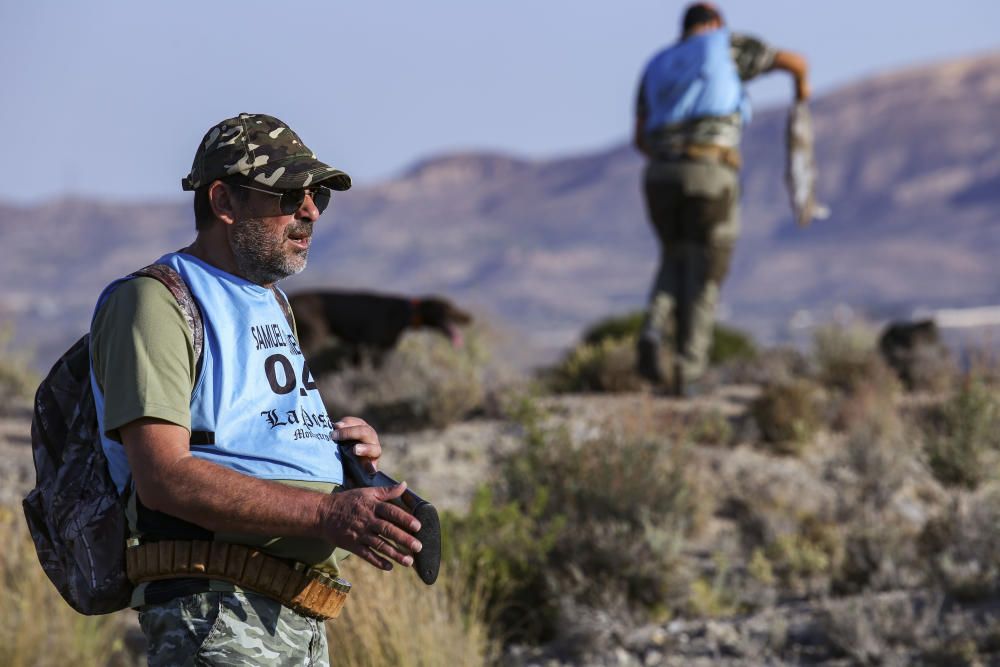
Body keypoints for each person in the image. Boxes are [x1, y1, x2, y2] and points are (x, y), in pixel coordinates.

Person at [89, 113, 423, 665]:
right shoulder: (155, 302)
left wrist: (332, 451)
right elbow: (163, 478)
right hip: (218, 616)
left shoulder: (272, 302)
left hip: (294, 615)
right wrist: (326, 516)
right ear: (223, 201)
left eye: (316, 195)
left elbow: (252, 435)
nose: (310, 210)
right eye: (289, 194)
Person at [633, 3, 810, 395]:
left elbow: (639, 137)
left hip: (659, 174)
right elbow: (795, 63)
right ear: (713, 24)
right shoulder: (724, 44)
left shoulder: (655, 64)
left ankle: (652, 329)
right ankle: (688, 372)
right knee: (705, 272)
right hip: (711, 171)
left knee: (673, 255)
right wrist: (802, 98)